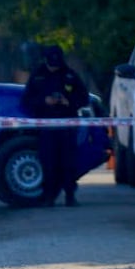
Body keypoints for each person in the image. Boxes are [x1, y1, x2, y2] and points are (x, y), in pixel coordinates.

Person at [20, 45, 89, 206]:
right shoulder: (38, 76)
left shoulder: (69, 75)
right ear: (46, 60)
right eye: (51, 63)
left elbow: (83, 98)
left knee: (68, 162)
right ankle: (48, 196)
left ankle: (70, 195)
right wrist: (44, 101)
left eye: (57, 63)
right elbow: (26, 100)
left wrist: (68, 102)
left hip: (67, 127)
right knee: (48, 162)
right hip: (46, 128)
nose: (54, 66)